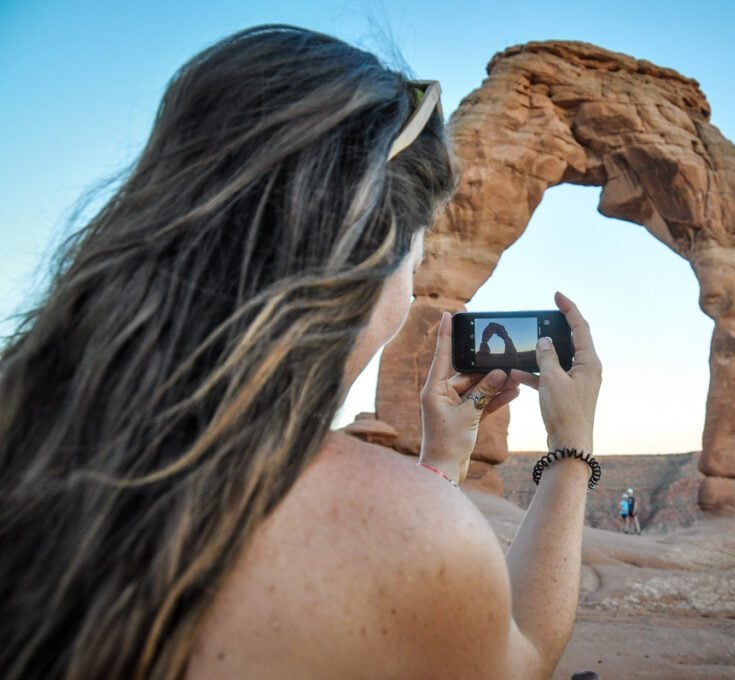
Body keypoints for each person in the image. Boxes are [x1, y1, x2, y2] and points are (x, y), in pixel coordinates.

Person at [0, 25, 603, 679]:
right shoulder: (417, 536)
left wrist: (439, 463)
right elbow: (525, 656)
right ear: (375, 256)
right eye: (415, 249)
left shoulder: (25, 426)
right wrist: (571, 451)